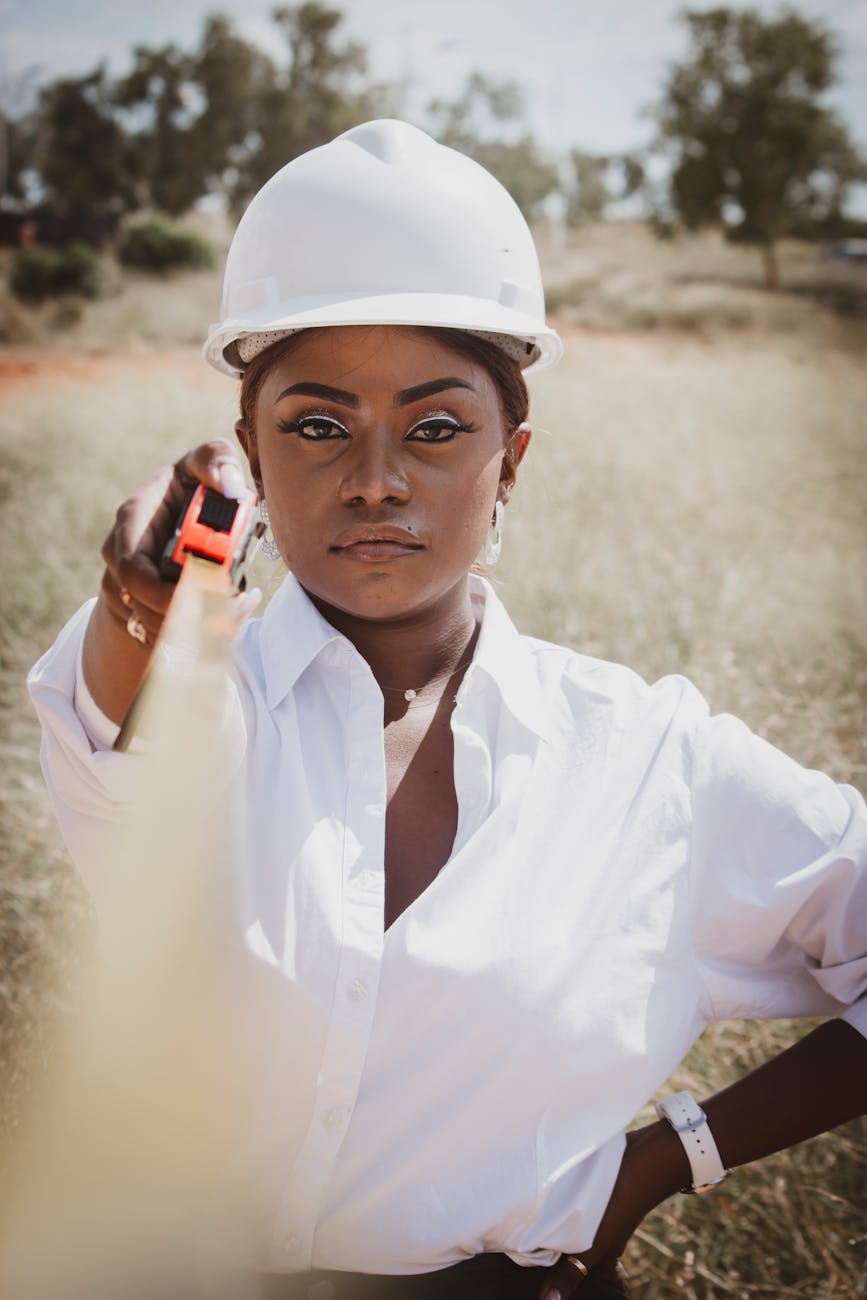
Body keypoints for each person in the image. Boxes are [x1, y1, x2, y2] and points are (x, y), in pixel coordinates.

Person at [27, 120, 867, 1300]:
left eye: (435, 427)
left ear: (511, 456)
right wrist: (136, 602)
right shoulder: (207, 705)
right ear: (253, 463)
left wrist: (666, 1161)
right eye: (317, 425)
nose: (376, 476)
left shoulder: (645, 758)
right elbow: (120, 733)